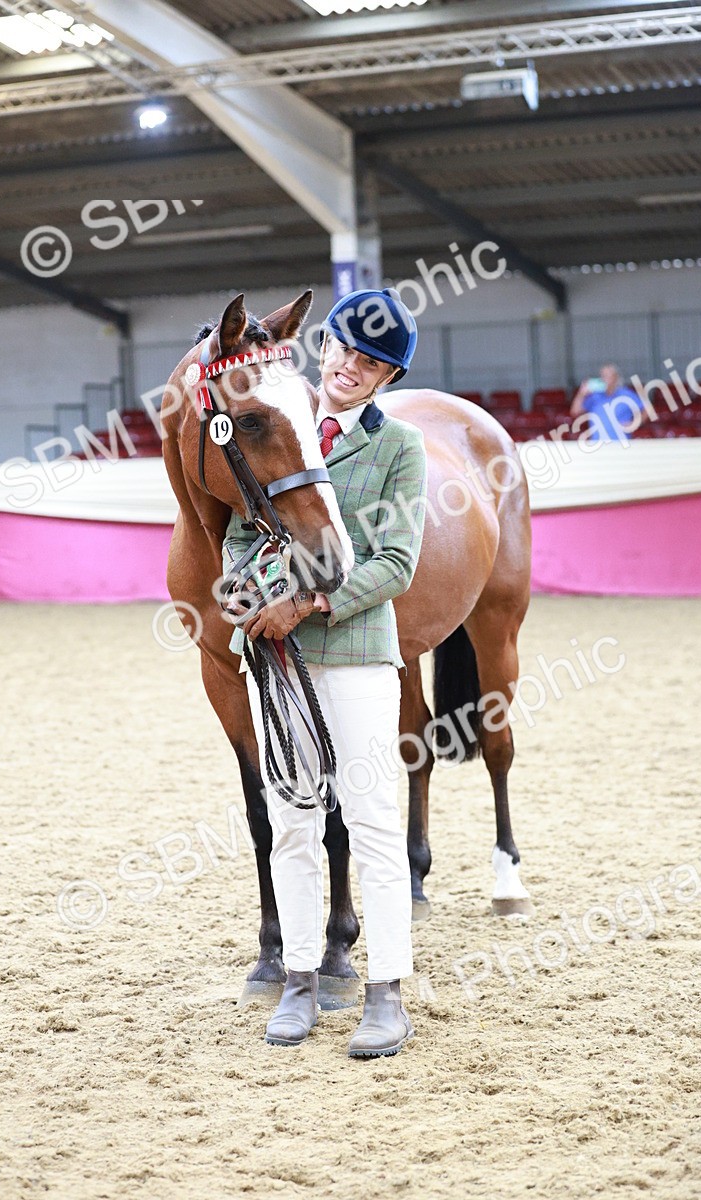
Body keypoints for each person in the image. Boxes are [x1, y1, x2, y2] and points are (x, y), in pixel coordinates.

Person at [222, 288, 427, 1058]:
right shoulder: (278, 422)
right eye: (343, 347)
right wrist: (245, 591)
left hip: (359, 654)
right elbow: (241, 534)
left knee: (373, 824)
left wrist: (304, 603)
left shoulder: (398, 447)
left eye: (372, 362)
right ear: (325, 345)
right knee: (294, 824)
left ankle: (386, 994)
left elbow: (395, 563)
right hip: (281, 662)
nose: (351, 366)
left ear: (386, 379)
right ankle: (302, 981)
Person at [570, 363, 647, 441]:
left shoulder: (626, 394)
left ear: (616, 378)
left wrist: (634, 423)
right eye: (602, 376)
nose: (604, 379)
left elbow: (647, 410)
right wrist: (581, 394)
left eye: (607, 376)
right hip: (597, 443)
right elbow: (575, 411)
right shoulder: (595, 396)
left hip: (620, 443)